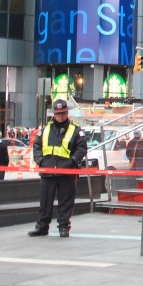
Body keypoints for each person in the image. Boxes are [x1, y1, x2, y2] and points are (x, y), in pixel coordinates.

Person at [28, 99, 87, 238]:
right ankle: (42, 227)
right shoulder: (45, 129)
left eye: (63, 113)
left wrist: (72, 161)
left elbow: (82, 148)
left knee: (66, 201)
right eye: (58, 113)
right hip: (48, 171)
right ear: (54, 114)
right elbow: (37, 146)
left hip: (67, 172)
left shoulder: (75, 130)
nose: (60, 116)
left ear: (67, 113)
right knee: (45, 202)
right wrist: (41, 160)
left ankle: (63, 226)